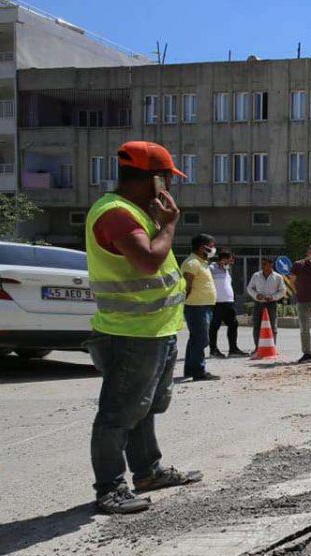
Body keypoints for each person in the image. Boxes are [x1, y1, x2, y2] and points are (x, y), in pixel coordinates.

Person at [85, 140, 203, 514]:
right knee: (118, 412)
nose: (170, 185)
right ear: (153, 178)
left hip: (154, 330)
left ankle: (148, 471)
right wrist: (168, 225)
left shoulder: (134, 212)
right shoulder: (116, 214)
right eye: (167, 177)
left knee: (145, 407)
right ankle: (110, 488)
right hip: (129, 334)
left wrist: (159, 223)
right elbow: (149, 261)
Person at [180, 233, 219, 381]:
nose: (213, 249)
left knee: (196, 339)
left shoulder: (202, 262)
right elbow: (186, 287)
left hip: (204, 306)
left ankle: (191, 369)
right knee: (201, 339)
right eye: (212, 246)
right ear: (203, 247)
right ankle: (198, 371)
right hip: (196, 306)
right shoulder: (192, 263)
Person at [208, 250, 246, 358]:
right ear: (224, 258)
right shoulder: (211, 268)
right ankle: (213, 350)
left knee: (233, 325)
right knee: (214, 327)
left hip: (228, 303)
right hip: (217, 303)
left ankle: (233, 349)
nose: (232, 262)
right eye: (231, 259)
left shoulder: (226, 270)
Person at [246, 257, 286, 352]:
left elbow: (283, 291)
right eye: (262, 264)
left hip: (271, 304)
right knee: (257, 326)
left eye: (265, 264)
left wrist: (272, 297)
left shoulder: (278, 277)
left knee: (272, 326)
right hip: (258, 304)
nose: (262, 266)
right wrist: (256, 295)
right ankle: (257, 348)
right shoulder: (256, 275)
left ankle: (272, 347)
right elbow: (249, 288)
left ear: (271, 265)